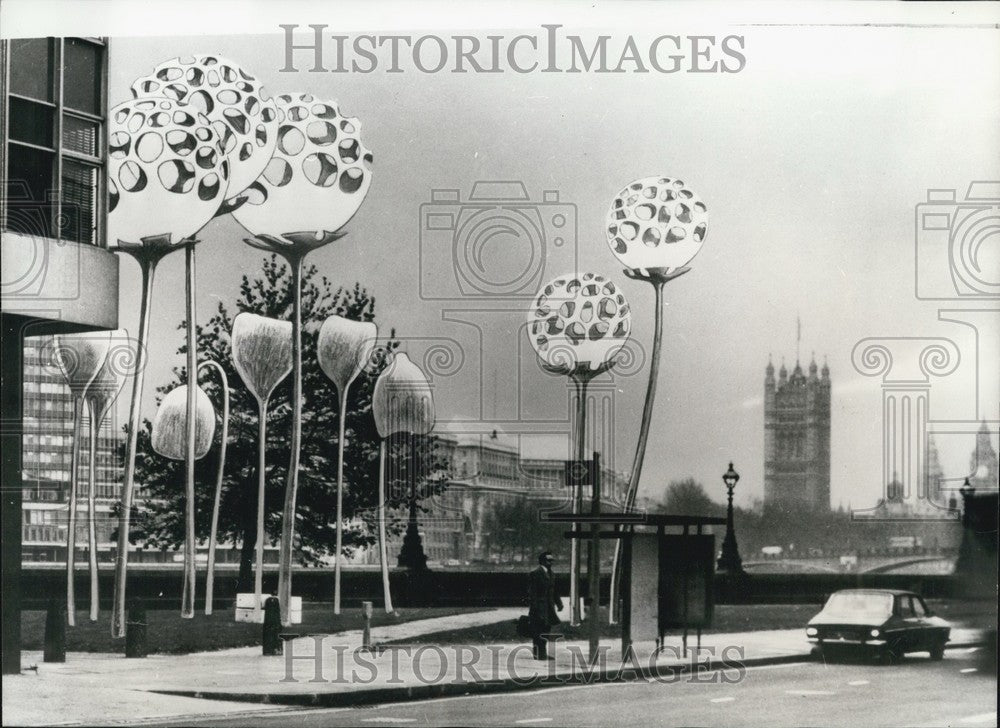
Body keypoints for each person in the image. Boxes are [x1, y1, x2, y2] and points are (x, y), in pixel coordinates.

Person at [527, 550, 562, 660]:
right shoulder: (535, 574)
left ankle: (542, 653)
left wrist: (559, 603)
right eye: (548, 560)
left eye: (552, 560)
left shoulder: (552, 574)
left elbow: (554, 591)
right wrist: (535, 608)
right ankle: (538, 653)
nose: (551, 562)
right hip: (539, 608)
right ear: (542, 561)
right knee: (538, 631)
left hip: (549, 608)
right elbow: (532, 593)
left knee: (546, 630)